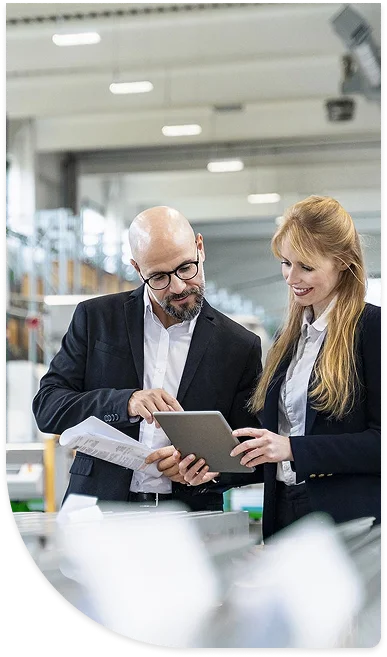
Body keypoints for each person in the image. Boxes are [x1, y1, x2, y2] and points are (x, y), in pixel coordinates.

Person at [32, 206, 262, 511]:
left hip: (189, 519)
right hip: (98, 512)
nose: (178, 286)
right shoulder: (96, 318)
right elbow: (48, 408)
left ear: (200, 248)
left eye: (185, 268)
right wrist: (125, 403)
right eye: (159, 277)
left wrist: (208, 472)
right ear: (137, 269)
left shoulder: (239, 346)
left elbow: (252, 451)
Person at [179, 195, 381, 540]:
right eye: (286, 263)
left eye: (307, 266)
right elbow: (270, 446)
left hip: (346, 522)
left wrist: (292, 448)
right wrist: (216, 468)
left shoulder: (371, 329)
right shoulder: (288, 338)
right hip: (284, 510)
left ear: (343, 262)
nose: (291, 278)